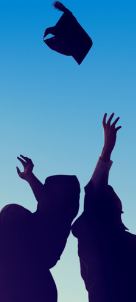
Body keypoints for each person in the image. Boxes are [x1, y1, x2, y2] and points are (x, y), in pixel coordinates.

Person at [0, 155, 80, 302]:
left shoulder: (54, 224)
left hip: (27, 287)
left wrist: (30, 177)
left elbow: (49, 205)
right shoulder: (26, 220)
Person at [72, 113, 136, 302]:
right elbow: (94, 197)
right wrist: (106, 150)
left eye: (111, 192)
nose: (110, 193)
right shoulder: (96, 232)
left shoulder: (126, 239)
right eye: (107, 193)